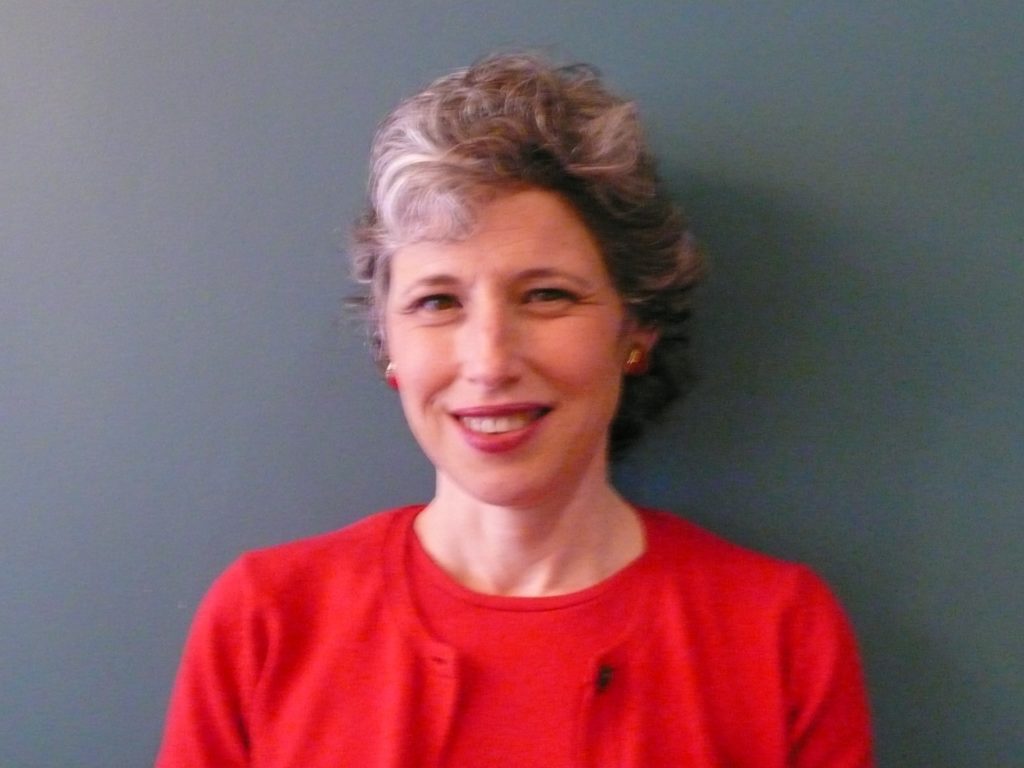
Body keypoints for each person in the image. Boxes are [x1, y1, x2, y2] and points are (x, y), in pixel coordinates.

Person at [155, 53, 873, 767]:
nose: (490, 360)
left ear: (636, 329)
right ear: (389, 349)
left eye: (547, 295)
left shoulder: (778, 633)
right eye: (438, 302)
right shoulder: (265, 623)